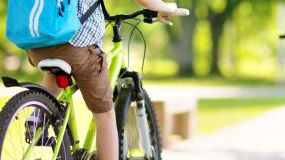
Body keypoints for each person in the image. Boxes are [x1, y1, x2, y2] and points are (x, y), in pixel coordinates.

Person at [25, 0, 177, 159]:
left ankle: (37, 114)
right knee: (105, 115)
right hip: (76, 44)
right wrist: (165, 7)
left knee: (56, 71)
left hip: (38, 44)